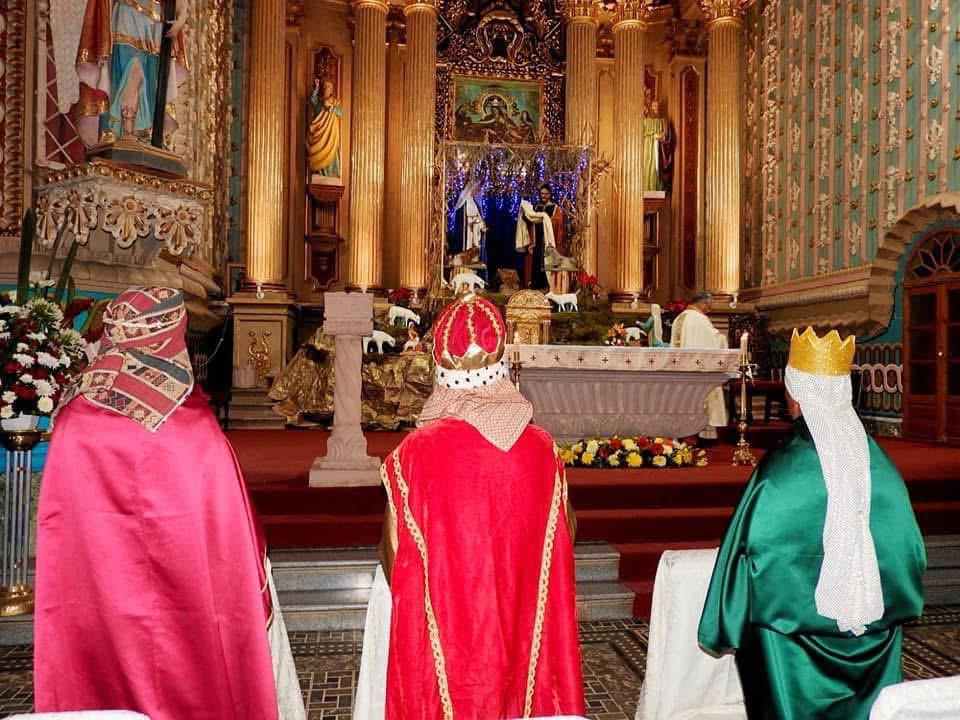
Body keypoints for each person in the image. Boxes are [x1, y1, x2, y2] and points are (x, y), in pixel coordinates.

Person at [34, 287, 304, 720]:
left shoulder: (73, 416)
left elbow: (62, 534)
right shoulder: (189, 426)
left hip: (98, 608)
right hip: (185, 614)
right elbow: (232, 536)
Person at [698, 327, 926, 720]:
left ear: (796, 394)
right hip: (872, 638)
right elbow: (909, 550)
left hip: (790, 645)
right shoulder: (881, 468)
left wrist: (724, 619)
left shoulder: (781, 470)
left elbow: (746, 553)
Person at [378, 292, 585, 720]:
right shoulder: (541, 448)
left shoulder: (413, 453)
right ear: (501, 366)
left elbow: (394, 556)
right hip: (523, 629)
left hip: (449, 643)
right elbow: (567, 534)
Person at [75, 0, 189, 146]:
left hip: (155, 24)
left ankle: (142, 138)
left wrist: (181, 16)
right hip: (127, 14)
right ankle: (118, 135)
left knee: (147, 85)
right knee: (129, 78)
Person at [670, 292, 728, 438]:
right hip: (699, 372)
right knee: (704, 397)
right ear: (702, 303)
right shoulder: (699, 319)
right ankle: (703, 434)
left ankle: (682, 433)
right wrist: (723, 338)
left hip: (681, 370)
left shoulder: (679, 318)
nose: (709, 309)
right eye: (709, 305)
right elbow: (713, 341)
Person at [308, 76, 343, 180]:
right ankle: (320, 172)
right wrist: (316, 88)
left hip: (331, 136)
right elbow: (312, 100)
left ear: (331, 90)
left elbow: (340, 113)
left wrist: (331, 108)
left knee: (331, 155)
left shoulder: (335, 102)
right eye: (325, 87)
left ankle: (330, 174)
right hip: (320, 135)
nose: (326, 89)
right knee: (319, 155)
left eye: (328, 87)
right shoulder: (319, 102)